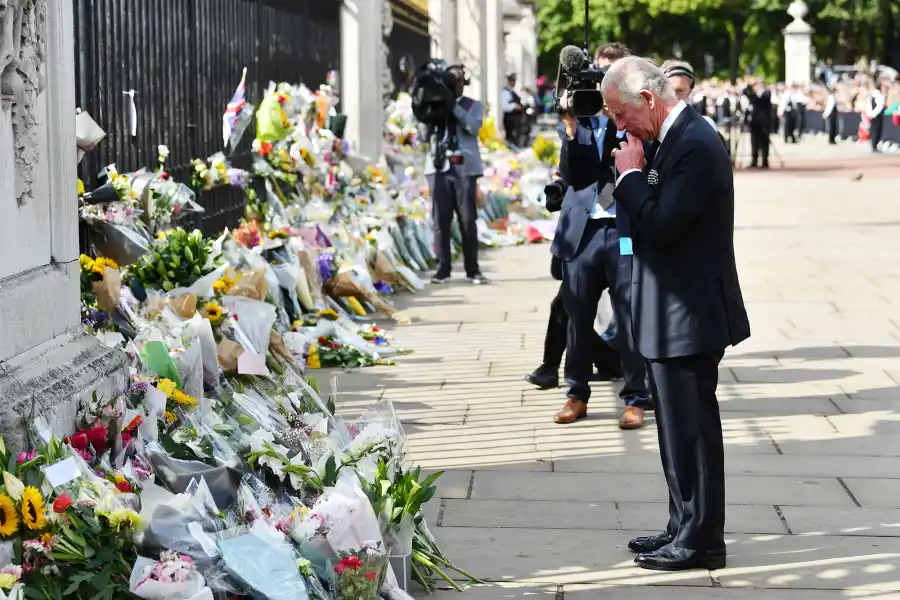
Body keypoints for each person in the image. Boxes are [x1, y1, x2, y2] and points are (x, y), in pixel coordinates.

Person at [601, 57, 751, 571]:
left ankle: (703, 540)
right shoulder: (670, 137)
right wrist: (632, 175)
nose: (620, 128)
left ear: (647, 99)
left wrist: (629, 178)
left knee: (693, 431)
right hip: (669, 308)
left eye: (622, 115)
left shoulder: (695, 141)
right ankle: (682, 523)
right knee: (673, 428)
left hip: (691, 311)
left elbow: (663, 223)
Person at [550, 42, 652, 429]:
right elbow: (573, 176)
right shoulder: (583, 114)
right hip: (585, 231)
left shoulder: (634, 118)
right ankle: (576, 393)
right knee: (577, 315)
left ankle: (636, 397)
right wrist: (572, 129)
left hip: (623, 230)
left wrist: (617, 116)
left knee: (629, 314)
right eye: (597, 73)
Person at [424, 65, 489, 285]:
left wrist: (453, 107)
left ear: (464, 84)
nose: (453, 85)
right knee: (440, 220)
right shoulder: (436, 104)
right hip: (438, 166)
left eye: (457, 81)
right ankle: (442, 269)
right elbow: (423, 135)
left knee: (468, 219)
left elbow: (473, 127)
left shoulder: (473, 106)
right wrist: (429, 107)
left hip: (465, 169)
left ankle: (473, 269)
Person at [744, 79, 773, 168]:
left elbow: (758, 101)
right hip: (755, 121)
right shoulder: (754, 95)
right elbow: (748, 95)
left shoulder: (766, 93)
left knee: (764, 141)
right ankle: (754, 160)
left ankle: (765, 161)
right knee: (754, 141)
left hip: (764, 122)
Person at [500, 73, 524, 147]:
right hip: (510, 118)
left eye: (514, 80)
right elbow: (505, 106)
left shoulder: (512, 91)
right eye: (511, 80)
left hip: (515, 118)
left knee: (516, 137)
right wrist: (515, 106)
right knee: (511, 137)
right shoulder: (505, 92)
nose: (513, 82)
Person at [866, 79, 887, 153]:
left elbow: (868, 105)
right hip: (877, 116)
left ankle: (874, 145)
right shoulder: (880, 96)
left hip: (873, 115)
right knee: (877, 130)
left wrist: (870, 114)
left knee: (873, 130)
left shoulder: (872, 95)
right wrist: (873, 114)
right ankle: (874, 145)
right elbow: (880, 106)